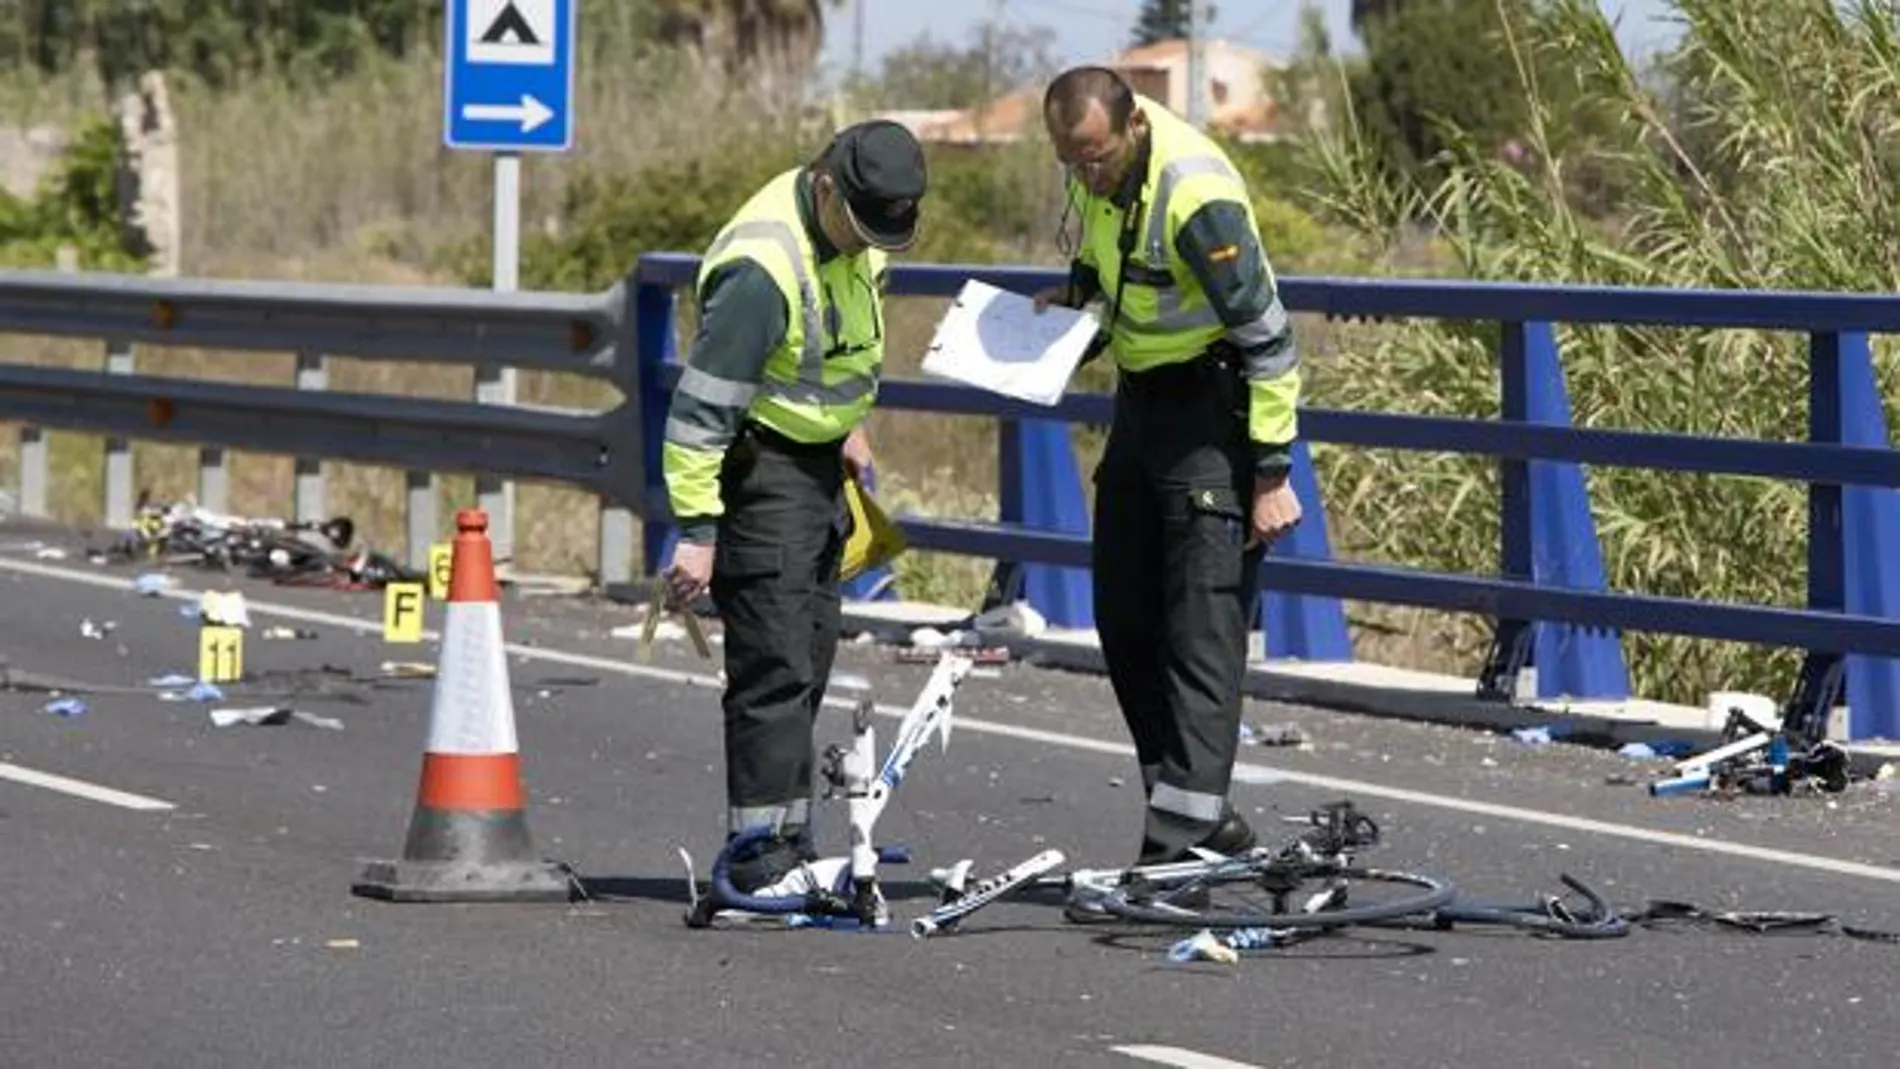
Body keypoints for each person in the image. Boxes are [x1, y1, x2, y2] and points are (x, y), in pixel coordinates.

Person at [1035, 67, 1304, 867]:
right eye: (1070, 161)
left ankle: (1179, 847)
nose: (1085, 174)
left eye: (1096, 157)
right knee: (1124, 616)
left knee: (1201, 631)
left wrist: (1271, 473)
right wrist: (1068, 307)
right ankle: (1198, 816)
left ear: (1134, 129)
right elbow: (1111, 276)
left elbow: (1271, 341)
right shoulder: (1091, 171)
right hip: (1142, 406)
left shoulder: (1195, 195)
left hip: (1212, 414)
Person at [659, 120, 929, 893]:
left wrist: (849, 426)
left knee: (808, 653)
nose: (869, 244)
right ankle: (757, 853)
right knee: (772, 663)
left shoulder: (860, 235)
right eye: (862, 225)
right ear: (824, 188)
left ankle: (788, 836)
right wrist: (699, 534)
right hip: (762, 468)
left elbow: (835, 344)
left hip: (818, 467)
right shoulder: (761, 269)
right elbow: (700, 414)